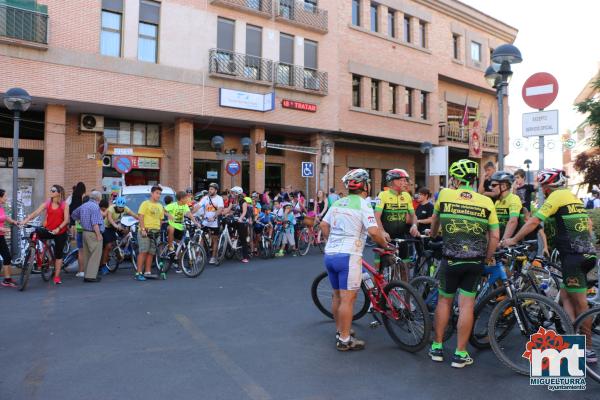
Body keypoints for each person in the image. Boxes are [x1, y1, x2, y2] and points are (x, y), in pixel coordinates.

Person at [503, 168, 597, 364]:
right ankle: (572, 339)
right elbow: (588, 223)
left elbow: (535, 221)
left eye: (542, 187)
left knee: (580, 304)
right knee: (565, 298)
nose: (541, 191)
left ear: (547, 186)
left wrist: (513, 239)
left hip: (573, 256)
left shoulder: (557, 196)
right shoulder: (571, 197)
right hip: (583, 254)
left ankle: (587, 349)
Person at [428, 159, 499, 368]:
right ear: (474, 178)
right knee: (466, 305)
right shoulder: (486, 202)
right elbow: (494, 236)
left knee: (444, 302)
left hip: (450, 260)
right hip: (475, 261)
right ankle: (460, 353)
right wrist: (487, 257)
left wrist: (433, 235)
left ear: (455, 179)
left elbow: (435, 222)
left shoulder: (445, 195)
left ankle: (437, 348)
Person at [320, 169, 387, 351]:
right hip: (349, 256)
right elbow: (374, 232)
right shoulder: (364, 204)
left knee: (337, 296)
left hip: (331, 254)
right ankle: (344, 339)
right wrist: (385, 245)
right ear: (366, 186)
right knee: (348, 299)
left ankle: (340, 330)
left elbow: (323, 224)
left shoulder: (338, 202)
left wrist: (331, 240)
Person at [21, 185, 70, 285]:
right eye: (51, 190)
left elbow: (66, 220)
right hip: (49, 230)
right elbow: (36, 212)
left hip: (60, 232)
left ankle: (56, 277)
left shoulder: (64, 205)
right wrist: (26, 220)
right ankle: (34, 251)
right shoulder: (48, 203)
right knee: (35, 231)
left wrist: (58, 228)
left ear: (59, 193)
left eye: (53, 190)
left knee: (58, 255)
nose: (51, 191)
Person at [374, 169, 419, 277]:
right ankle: (377, 290)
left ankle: (404, 292)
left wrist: (414, 225)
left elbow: (413, 215)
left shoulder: (407, 196)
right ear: (393, 181)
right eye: (403, 180)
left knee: (405, 268)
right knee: (378, 270)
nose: (406, 183)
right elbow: (376, 216)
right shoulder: (383, 195)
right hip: (385, 237)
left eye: (406, 181)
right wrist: (382, 232)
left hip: (401, 236)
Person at [70, 191, 105, 282]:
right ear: (98, 198)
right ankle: (91, 276)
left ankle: (86, 275)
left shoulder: (84, 205)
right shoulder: (95, 207)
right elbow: (95, 223)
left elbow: (73, 214)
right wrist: (98, 235)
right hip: (93, 233)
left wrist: (80, 220)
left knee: (87, 254)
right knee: (95, 254)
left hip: (84, 232)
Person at [136, 186, 168, 281]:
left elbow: (161, 219)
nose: (158, 195)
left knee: (151, 252)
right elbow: (140, 216)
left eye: (160, 194)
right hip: (145, 231)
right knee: (143, 251)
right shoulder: (145, 204)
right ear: (152, 193)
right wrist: (142, 229)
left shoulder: (160, 206)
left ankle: (147, 271)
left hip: (156, 232)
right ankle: (138, 272)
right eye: (157, 193)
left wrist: (160, 228)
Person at [99, 196, 138, 275]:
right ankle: (103, 266)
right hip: (108, 227)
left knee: (127, 231)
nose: (120, 209)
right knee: (108, 246)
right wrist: (115, 225)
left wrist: (141, 220)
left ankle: (122, 247)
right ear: (116, 205)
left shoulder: (125, 208)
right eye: (119, 207)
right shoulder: (111, 209)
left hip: (117, 225)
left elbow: (133, 214)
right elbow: (110, 219)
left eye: (122, 207)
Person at [165, 191, 200, 255]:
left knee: (180, 244)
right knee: (171, 229)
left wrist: (195, 222)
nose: (187, 200)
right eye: (186, 198)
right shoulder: (173, 205)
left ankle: (177, 259)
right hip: (172, 225)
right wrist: (169, 215)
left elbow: (190, 214)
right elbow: (163, 210)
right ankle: (170, 248)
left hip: (180, 226)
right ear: (181, 199)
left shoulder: (185, 206)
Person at [490, 171, 522, 242]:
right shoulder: (498, 202)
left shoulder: (513, 198)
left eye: (494, 185)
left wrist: (502, 242)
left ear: (504, 186)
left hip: (509, 243)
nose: (491, 188)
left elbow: (513, 221)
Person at [198, 183, 224, 265]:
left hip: (214, 222)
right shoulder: (205, 198)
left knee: (214, 239)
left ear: (216, 191)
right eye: (209, 189)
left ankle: (213, 257)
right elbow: (198, 206)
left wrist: (214, 216)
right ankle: (199, 255)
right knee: (201, 239)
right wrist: (191, 212)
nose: (210, 190)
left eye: (212, 189)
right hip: (205, 222)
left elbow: (220, 209)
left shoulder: (219, 198)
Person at [0, 189, 19, 287]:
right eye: (5, 196)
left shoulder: (1, 207)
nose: (6, 198)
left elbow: (5, 217)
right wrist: (2, 228)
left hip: (0, 236)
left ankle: (7, 279)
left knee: (7, 257)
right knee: (6, 256)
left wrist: (14, 222)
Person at [230, 186, 250, 263]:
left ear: (237, 193)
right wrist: (225, 213)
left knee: (243, 239)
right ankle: (232, 238)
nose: (231, 193)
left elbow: (244, 212)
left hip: (242, 221)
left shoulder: (243, 201)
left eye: (233, 192)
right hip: (235, 220)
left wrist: (240, 218)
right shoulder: (233, 201)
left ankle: (246, 257)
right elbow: (231, 210)